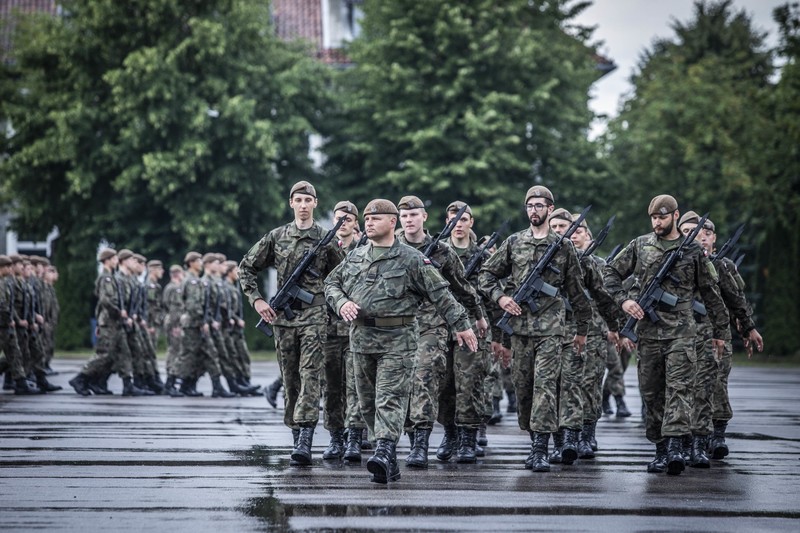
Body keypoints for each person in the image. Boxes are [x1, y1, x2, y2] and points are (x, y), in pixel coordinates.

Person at [324, 198, 478, 484]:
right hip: (361, 339)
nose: (368, 222)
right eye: (367, 218)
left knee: (389, 398)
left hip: (398, 339)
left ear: (391, 222)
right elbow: (331, 284)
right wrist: (341, 302)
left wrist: (462, 325)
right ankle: (389, 460)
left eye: (375, 218)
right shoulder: (357, 256)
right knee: (367, 402)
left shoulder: (412, 259)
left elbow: (442, 294)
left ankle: (383, 450)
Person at [603, 195, 730, 476]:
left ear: (675, 215)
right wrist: (624, 300)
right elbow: (609, 272)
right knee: (652, 393)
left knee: (679, 390)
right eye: (654, 218)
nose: (657, 222)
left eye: (662, 217)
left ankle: (674, 448)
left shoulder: (692, 251)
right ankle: (660, 448)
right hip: (648, 334)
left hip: (682, 333)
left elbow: (710, 292)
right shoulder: (641, 245)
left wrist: (721, 330)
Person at [479, 186, 592, 473]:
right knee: (524, 388)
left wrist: (582, 328)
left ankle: (540, 449)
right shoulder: (514, 242)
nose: (534, 211)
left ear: (550, 209)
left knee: (545, 386)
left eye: (540, 206)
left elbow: (577, 291)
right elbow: (487, 275)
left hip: (552, 329)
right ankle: (536, 438)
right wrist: (501, 298)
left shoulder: (564, 247)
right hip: (520, 330)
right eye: (530, 206)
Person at [239, 181, 344, 466]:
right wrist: (257, 301)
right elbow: (246, 267)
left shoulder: (326, 238)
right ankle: (296, 433)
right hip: (284, 320)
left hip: (314, 317)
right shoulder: (277, 236)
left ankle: (306, 441)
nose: (303, 205)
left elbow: (342, 275)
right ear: (291, 203)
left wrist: (336, 304)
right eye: (298, 200)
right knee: (290, 380)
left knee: (311, 375)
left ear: (315, 204)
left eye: (307, 200)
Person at [396, 195, 485, 466]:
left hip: (433, 325)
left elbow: (461, 287)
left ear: (424, 217)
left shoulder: (442, 251)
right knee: (409, 385)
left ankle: (421, 445)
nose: (409, 220)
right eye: (404, 215)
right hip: (398, 326)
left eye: (414, 215)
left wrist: (477, 317)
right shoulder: (391, 246)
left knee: (422, 378)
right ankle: (417, 438)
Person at [678, 211, 763, 466]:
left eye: (705, 232)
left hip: (716, 338)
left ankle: (713, 437)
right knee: (682, 389)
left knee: (715, 387)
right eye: (689, 232)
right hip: (682, 336)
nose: (698, 237)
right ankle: (684, 441)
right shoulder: (673, 264)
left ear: (713, 238)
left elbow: (737, 301)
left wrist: (748, 328)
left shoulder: (723, 265)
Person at [162, 265, 185, 396]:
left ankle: (171, 381)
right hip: (174, 323)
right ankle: (170, 382)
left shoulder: (170, 287)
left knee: (174, 350)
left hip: (172, 322)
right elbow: (174, 308)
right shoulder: (174, 288)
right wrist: (177, 325)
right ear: (177, 274)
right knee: (175, 351)